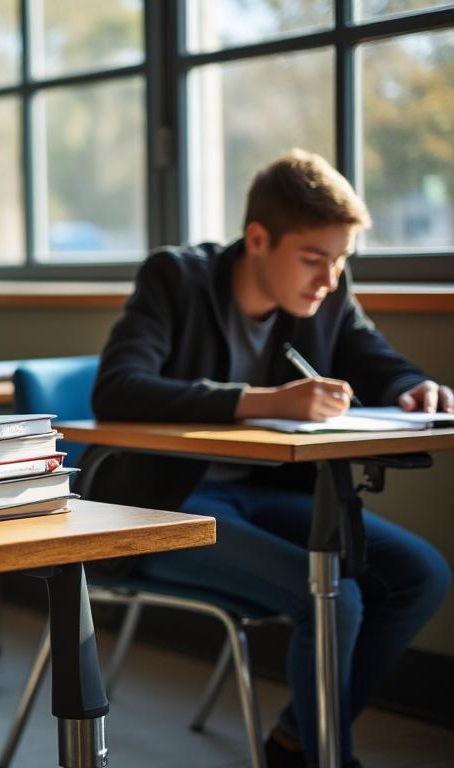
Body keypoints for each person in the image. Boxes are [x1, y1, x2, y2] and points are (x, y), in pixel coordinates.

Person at [82, 149, 451, 768]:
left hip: (264, 494)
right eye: (312, 258)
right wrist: (261, 401)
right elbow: (117, 389)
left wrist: (413, 387)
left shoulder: (326, 293)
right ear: (258, 239)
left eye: (341, 260)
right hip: (163, 506)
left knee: (421, 575)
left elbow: (374, 356)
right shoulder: (176, 278)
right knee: (333, 599)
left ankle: (297, 740)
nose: (328, 278)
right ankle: (324, 755)